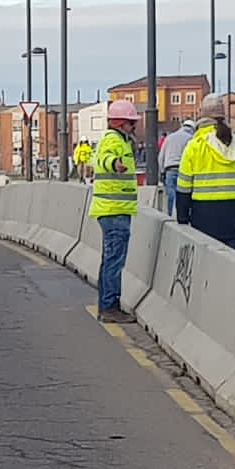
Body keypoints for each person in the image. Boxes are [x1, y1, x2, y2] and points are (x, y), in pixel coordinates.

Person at [178, 92, 235, 247]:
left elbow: (184, 187)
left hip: (203, 217)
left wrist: (182, 217)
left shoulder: (194, 146)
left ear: (201, 116)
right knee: (230, 263)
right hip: (233, 215)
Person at [90, 100, 141, 323]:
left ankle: (106, 305)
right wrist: (115, 164)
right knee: (114, 260)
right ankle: (110, 307)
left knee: (109, 258)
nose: (134, 127)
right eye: (131, 123)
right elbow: (104, 159)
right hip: (114, 210)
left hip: (112, 209)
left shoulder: (118, 139)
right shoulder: (113, 140)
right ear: (122, 123)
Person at [158, 119, 195, 211]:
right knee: (184, 193)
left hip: (169, 169)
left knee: (171, 193)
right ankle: (181, 213)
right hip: (184, 170)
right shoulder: (191, 138)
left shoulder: (170, 137)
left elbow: (161, 156)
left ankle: (171, 214)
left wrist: (162, 172)